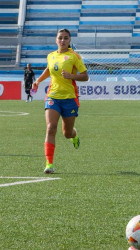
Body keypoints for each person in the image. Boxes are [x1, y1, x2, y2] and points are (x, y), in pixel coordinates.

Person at [32, 28, 89, 174]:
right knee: (51, 127)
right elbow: (49, 70)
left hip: (70, 99)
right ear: (56, 40)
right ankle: (49, 164)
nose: (62, 40)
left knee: (67, 133)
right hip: (53, 96)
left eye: (65, 38)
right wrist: (38, 80)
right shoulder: (50, 56)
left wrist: (71, 76)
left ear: (69, 41)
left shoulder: (74, 56)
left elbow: (85, 76)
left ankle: (74, 136)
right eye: (60, 38)